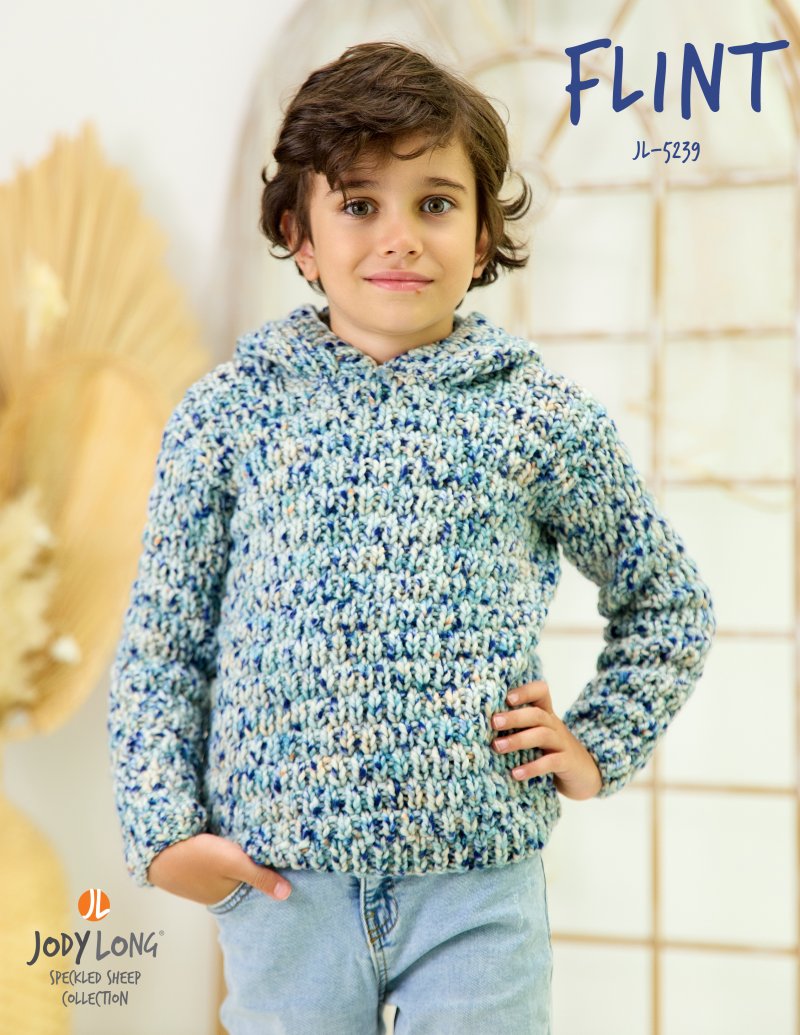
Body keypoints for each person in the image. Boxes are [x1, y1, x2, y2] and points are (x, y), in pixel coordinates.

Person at [108, 40, 716, 1035]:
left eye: (434, 203)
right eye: (359, 204)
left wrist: (598, 743)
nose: (399, 238)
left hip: (479, 890)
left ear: (481, 239)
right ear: (300, 236)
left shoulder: (539, 419)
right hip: (282, 887)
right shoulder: (226, 416)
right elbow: (163, 643)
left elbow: (666, 599)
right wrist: (163, 829)